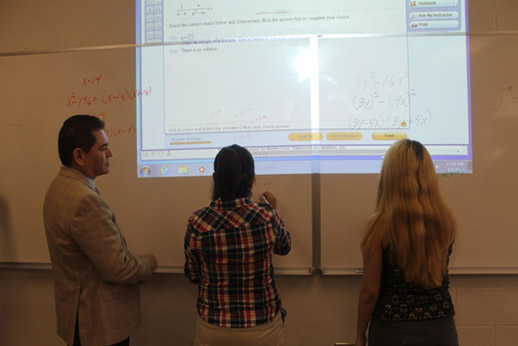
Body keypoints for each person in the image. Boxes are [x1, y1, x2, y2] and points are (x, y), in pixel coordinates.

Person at [43, 114, 158, 346]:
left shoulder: (59, 186)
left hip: (80, 320)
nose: (110, 154)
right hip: (98, 326)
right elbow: (117, 268)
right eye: (103, 147)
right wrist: (148, 264)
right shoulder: (85, 200)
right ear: (79, 156)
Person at [184, 144, 291, 346]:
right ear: (251, 180)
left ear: (215, 179)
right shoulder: (267, 216)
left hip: (213, 328)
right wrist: (274, 211)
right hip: (262, 328)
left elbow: (193, 275)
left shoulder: (197, 222)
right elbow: (284, 248)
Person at [355, 139, 458, 346]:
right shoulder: (445, 220)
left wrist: (359, 334)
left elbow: (370, 291)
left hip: (392, 331)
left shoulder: (379, 224)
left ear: (390, 175)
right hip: (441, 329)